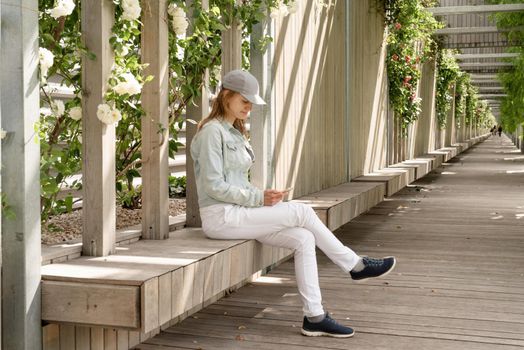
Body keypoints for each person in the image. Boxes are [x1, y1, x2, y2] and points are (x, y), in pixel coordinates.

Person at [190, 69, 396, 338]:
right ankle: (355, 265)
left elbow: (237, 182)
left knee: (302, 238)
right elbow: (212, 186)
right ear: (226, 96)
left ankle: (315, 316)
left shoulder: (235, 133)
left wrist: (265, 196)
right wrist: (258, 198)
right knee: (302, 211)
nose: (249, 107)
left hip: (240, 212)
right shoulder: (211, 133)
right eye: (244, 101)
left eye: (251, 102)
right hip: (221, 217)